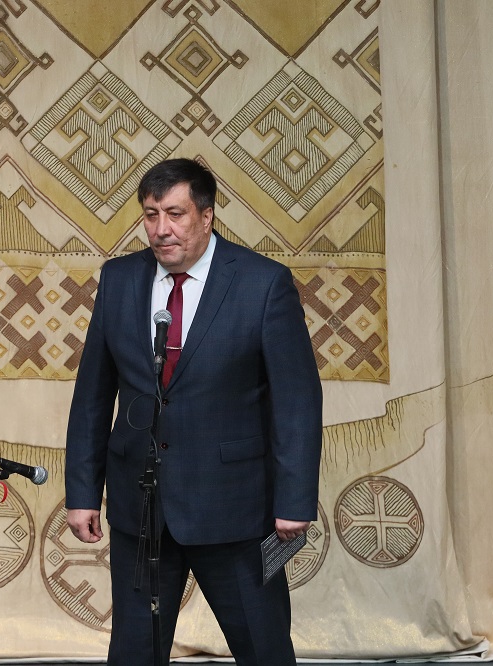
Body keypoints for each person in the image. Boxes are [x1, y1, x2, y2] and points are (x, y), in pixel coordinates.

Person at [65, 157, 322, 665]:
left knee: (265, 648)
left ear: (206, 216)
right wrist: (83, 492)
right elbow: (92, 395)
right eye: (151, 215)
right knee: (134, 653)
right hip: (141, 507)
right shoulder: (119, 279)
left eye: (175, 214)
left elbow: (297, 401)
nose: (161, 229)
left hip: (237, 508)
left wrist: (295, 499)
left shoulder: (263, 283)